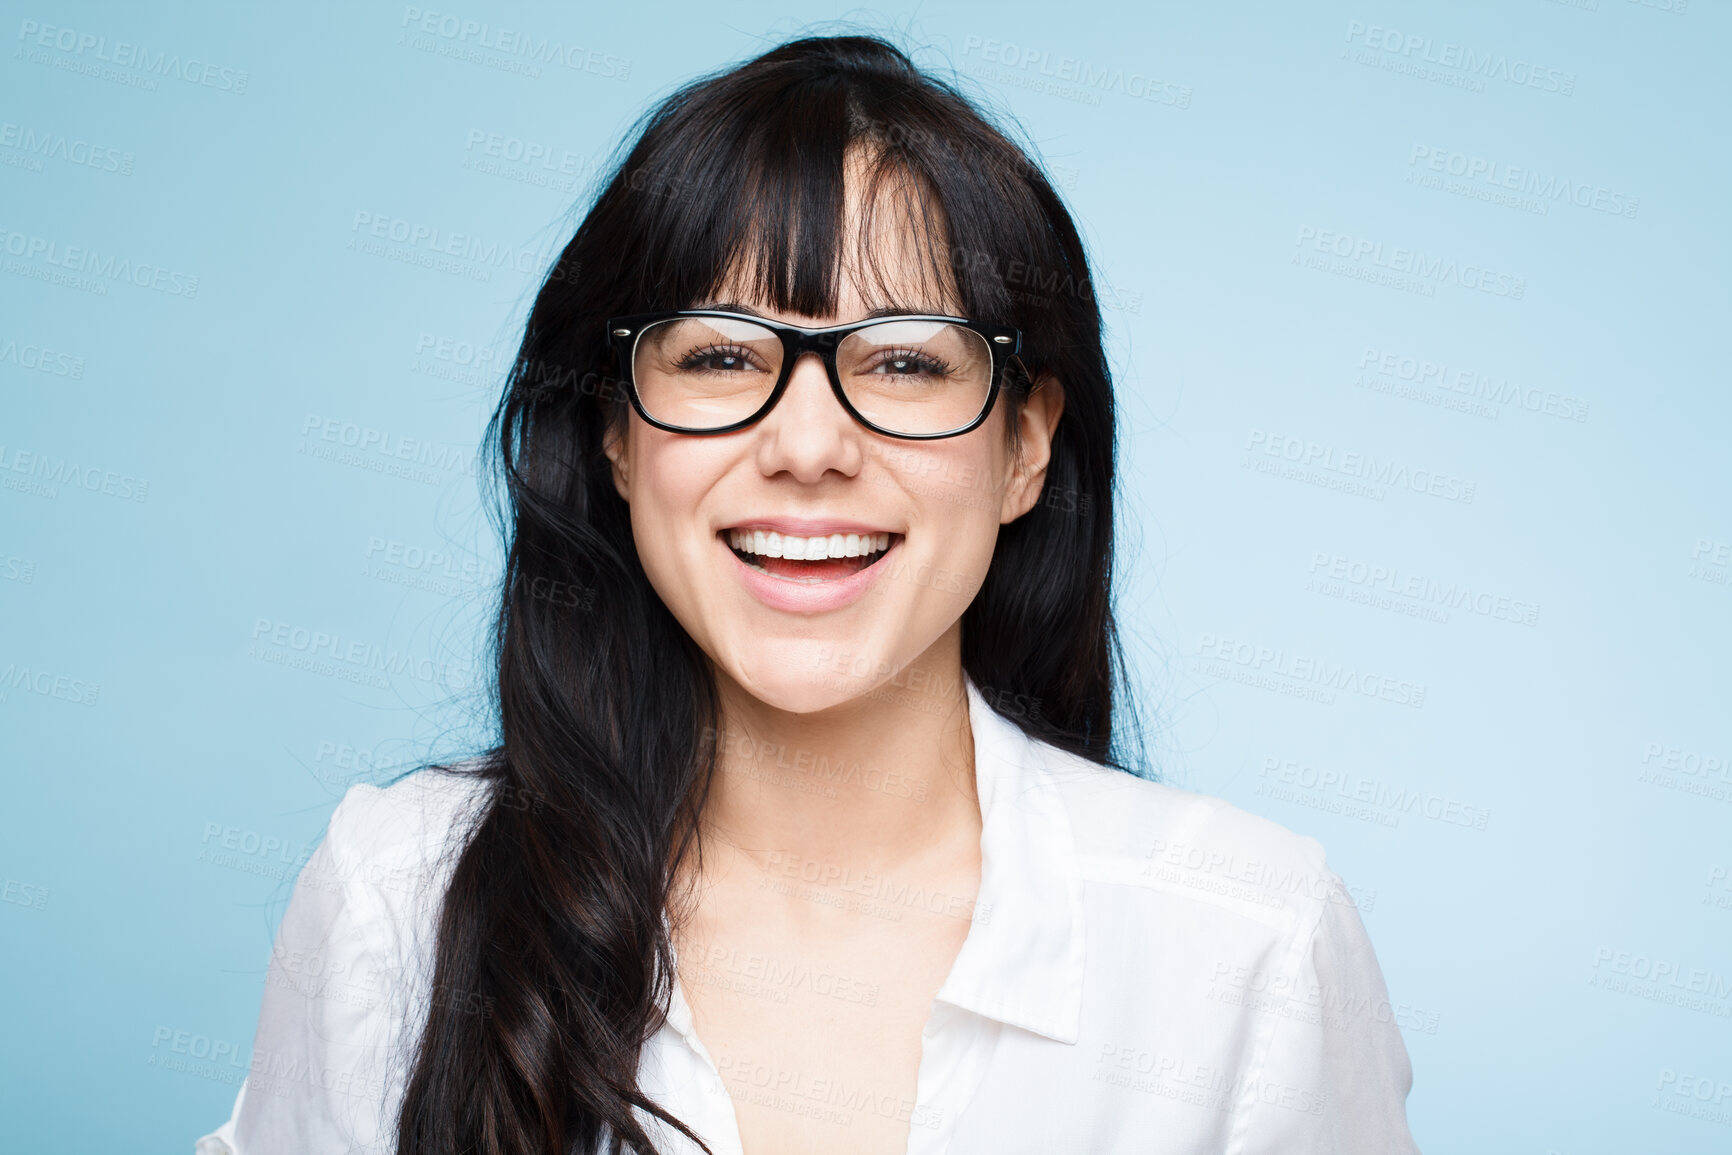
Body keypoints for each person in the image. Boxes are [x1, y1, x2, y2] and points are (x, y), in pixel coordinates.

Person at [198, 34, 1419, 1155]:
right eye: (723, 354)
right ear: (616, 435)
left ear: (1027, 448)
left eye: (901, 361)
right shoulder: (396, 899)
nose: (807, 444)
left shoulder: (1248, 939)